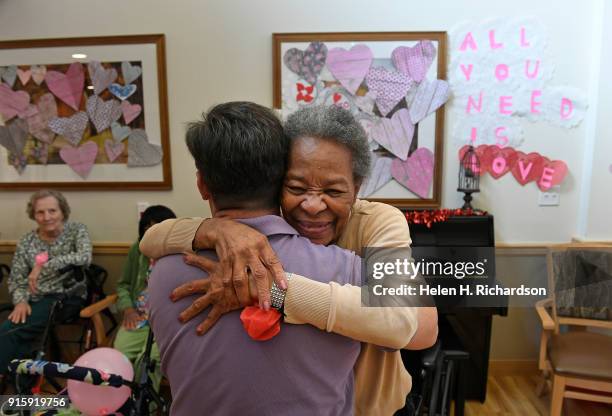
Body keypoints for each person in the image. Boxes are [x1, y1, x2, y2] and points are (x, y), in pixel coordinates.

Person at [141, 105, 438, 415]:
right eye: (296, 187)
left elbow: (409, 325)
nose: (311, 205)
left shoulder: (379, 223)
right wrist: (212, 228)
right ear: (278, 181)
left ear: (356, 189)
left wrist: (272, 289)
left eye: (333, 190)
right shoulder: (251, 231)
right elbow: (150, 240)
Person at [0, 190, 92, 378]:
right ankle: (21, 387)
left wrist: (42, 266)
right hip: (32, 299)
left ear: (62, 211)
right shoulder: (27, 240)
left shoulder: (76, 230)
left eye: (52, 211)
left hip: (65, 297)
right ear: (33, 215)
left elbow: (84, 257)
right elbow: (17, 278)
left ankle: (14, 381)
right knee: (13, 331)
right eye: (40, 212)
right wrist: (20, 301)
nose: (47, 217)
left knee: (11, 332)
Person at [113, 205, 176, 393]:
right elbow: (123, 284)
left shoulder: (180, 253)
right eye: (147, 227)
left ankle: (142, 407)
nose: (152, 231)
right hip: (138, 318)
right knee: (118, 357)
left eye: (157, 226)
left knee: (147, 362)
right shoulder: (137, 251)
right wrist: (128, 309)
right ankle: (114, 405)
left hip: (167, 322)